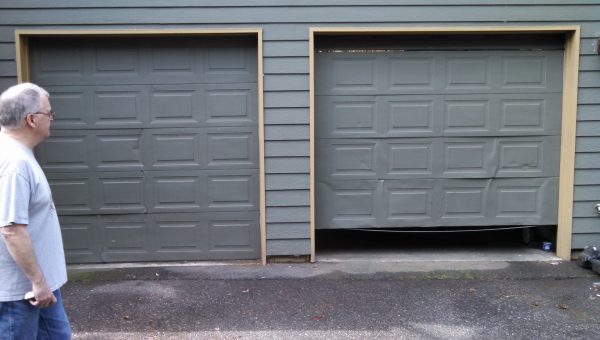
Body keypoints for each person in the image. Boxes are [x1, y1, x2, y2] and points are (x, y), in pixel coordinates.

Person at [0, 83, 71, 339]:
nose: (52, 119)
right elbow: (11, 229)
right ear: (32, 119)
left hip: (39, 287)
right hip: (22, 293)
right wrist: (38, 282)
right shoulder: (13, 163)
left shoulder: (19, 155)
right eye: (49, 113)